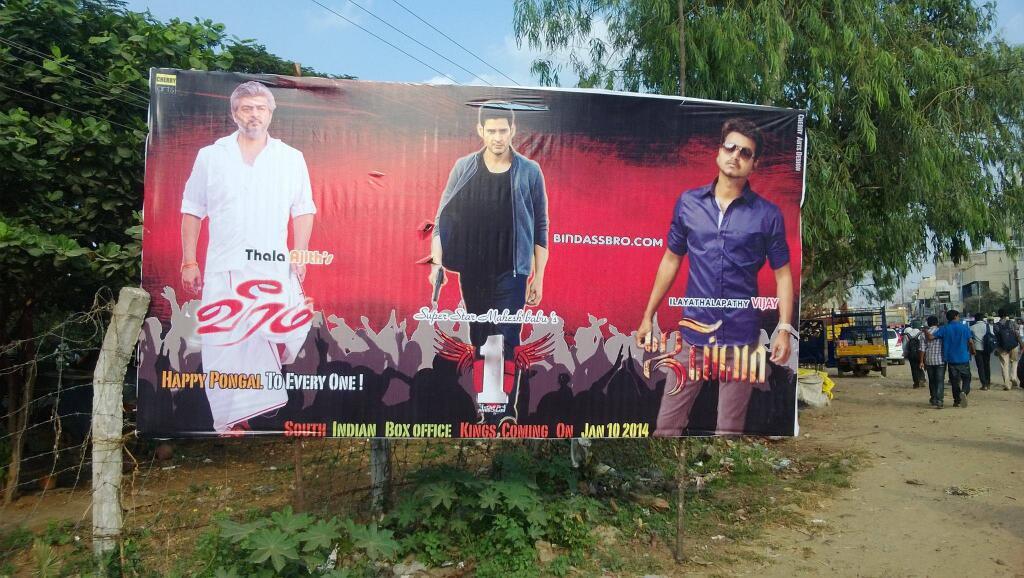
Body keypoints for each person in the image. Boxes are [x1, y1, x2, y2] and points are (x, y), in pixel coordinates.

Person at [635, 118, 795, 435]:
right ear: (718, 152)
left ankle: (724, 469)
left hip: (742, 339)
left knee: (729, 430)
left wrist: (785, 328)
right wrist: (647, 315)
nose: (735, 155)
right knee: (666, 427)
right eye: (730, 147)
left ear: (754, 164)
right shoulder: (688, 203)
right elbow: (671, 260)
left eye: (745, 152)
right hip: (693, 336)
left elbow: (784, 275)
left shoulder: (768, 215)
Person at [181, 81, 317, 433]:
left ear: (271, 113)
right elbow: (192, 209)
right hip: (224, 265)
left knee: (282, 331)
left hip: (272, 265)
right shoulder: (211, 156)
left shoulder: (290, 158)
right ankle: (231, 417)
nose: (253, 115)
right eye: (246, 108)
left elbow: (303, 209)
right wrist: (189, 261)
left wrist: (300, 251)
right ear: (234, 114)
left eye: (260, 108)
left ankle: (262, 400)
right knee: (223, 343)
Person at [429, 102, 549, 424]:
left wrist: (538, 277)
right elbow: (442, 217)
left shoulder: (529, 171)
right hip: (473, 271)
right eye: (491, 131)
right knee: (481, 337)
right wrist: (436, 263)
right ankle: (489, 407)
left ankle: (503, 411)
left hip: (512, 271)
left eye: (503, 130)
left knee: (505, 337)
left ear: (513, 131)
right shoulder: (464, 167)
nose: (498, 137)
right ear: (480, 131)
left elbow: (541, 227)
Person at [925, 310, 975, 407]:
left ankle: (957, 401)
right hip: (963, 358)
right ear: (956, 316)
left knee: (954, 381)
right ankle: (964, 391)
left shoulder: (944, 329)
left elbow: (930, 338)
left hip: (951, 359)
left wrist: (925, 331)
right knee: (966, 378)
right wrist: (973, 351)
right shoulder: (964, 328)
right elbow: (970, 341)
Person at [992, 308, 1021, 390]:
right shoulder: (1011, 323)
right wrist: (1021, 344)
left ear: (999, 315)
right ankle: (1014, 377)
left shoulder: (996, 325)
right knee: (1014, 361)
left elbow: (996, 338)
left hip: (1002, 347)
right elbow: (1017, 334)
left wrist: (996, 349)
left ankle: (1007, 385)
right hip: (1013, 345)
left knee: (1004, 365)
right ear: (1006, 315)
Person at [921, 315, 945, 407]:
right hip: (940, 360)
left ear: (928, 323)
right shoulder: (942, 331)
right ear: (937, 323)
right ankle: (939, 400)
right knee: (940, 381)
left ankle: (934, 398)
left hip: (929, 360)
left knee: (932, 381)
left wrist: (921, 361)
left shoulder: (923, 334)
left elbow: (922, 349)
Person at [969, 312, 992, 390]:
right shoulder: (988, 326)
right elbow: (992, 335)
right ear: (982, 318)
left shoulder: (972, 327)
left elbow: (970, 339)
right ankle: (988, 383)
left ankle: (984, 384)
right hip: (987, 348)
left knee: (980, 367)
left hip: (977, 349)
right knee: (987, 365)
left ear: (975, 319)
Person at [903, 324, 925, 388]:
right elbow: (924, 344)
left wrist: (905, 353)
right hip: (920, 353)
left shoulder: (907, 334)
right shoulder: (921, 334)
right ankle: (922, 379)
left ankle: (916, 383)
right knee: (920, 365)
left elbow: (905, 346)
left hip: (911, 354)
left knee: (913, 368)